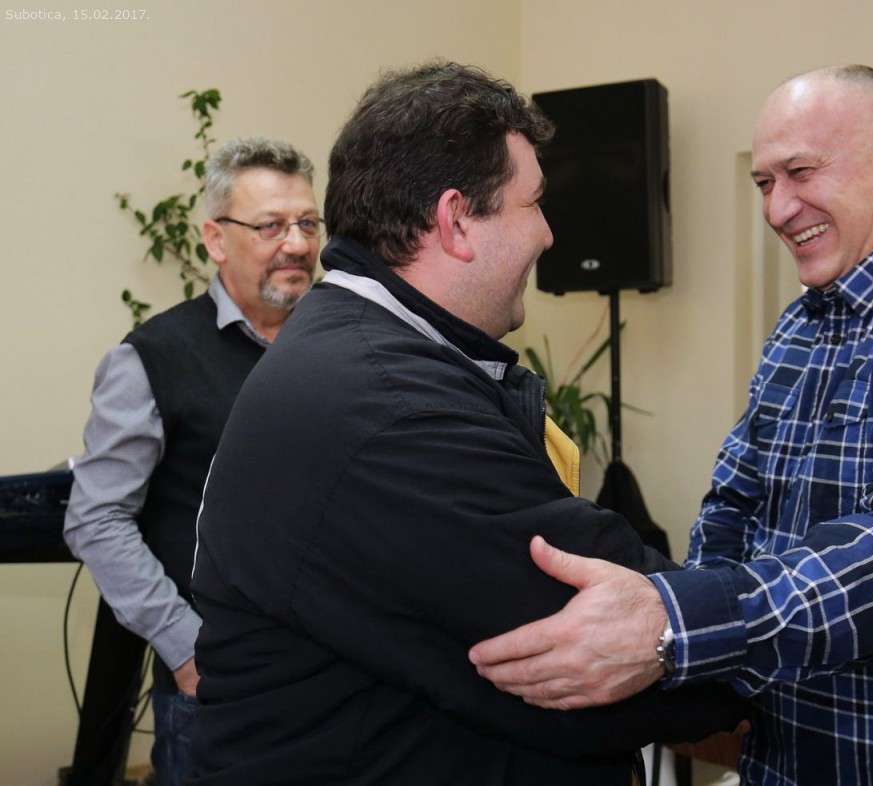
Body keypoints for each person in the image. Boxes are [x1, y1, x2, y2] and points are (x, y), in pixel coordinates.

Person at [469, 65, 873, 785]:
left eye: (801, 172)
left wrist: (677, 626)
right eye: (764, 183)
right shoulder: (804, 324)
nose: (777, 208)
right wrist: (704, 663)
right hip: (791, 756)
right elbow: (733, 505)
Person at [186, 61, 743, 786]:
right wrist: (747, 635)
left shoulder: (355, 352)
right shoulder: (392, 407)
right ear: (455, 222)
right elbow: (597, 654)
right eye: (533, 203)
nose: (548, 234)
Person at [63, 137, 319, 786]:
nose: (296, 244)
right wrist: (185, 648)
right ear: (215, 239)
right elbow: (96, 520)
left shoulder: (344, 343)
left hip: (341, 686)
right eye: (270, 226)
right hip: (217, 696)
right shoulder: (152, 358)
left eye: (308, 223)